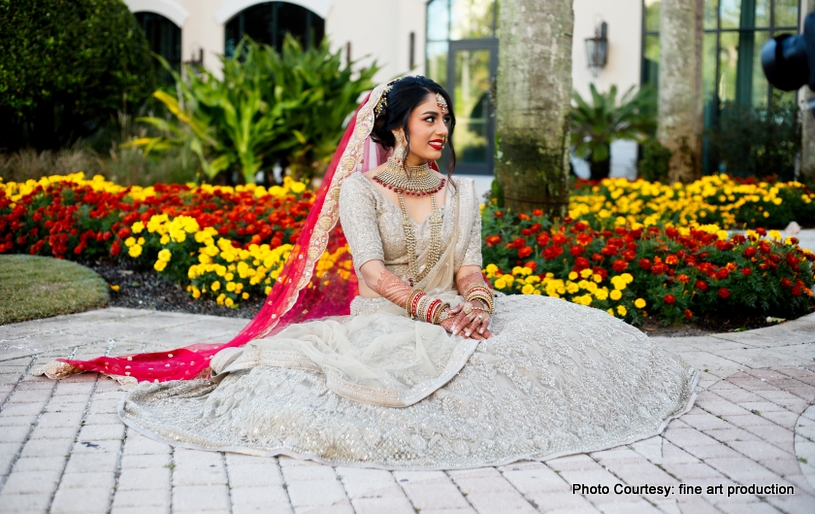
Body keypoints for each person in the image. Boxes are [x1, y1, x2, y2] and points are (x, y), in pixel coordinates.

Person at [42, 77, 697, 470]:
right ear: (398, 126)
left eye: (445, 118)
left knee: (556, 351)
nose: (442, 129)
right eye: (429, 118)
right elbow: (374, 274)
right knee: (372, 395)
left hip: (453, 310)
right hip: (389, 319)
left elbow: (470, 266)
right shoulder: (363, 191)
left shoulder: (459, 191)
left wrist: (477, 305)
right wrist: (437, 313)